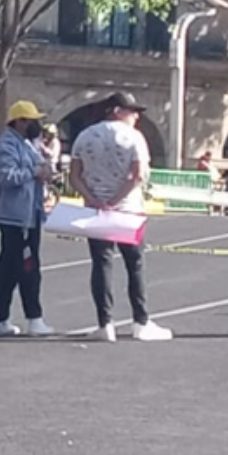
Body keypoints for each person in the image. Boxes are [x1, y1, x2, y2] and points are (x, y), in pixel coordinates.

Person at [69, 92, 172, 343]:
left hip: (96, 210)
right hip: (128, 209)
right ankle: (141, 321)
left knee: (101, 264)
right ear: (116, 110)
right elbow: (138, 175)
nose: (136, 116)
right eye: (132, 110)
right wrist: (116, 199)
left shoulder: (85, 136)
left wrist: (94, 199)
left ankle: (105, 323)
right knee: (135, 265)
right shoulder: (134, 137)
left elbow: (74, 175)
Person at [0, 100, 55, 337]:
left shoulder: (27, 145)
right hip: (16, 217)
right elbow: (6, 177)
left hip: (28, 214)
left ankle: (2, 318)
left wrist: (45, 169)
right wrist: (34, 172)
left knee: (8, 267)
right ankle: (34, 318)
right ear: (19, 122)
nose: (37, 124)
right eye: (32, 120)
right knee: (27, 267)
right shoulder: (7, 147)